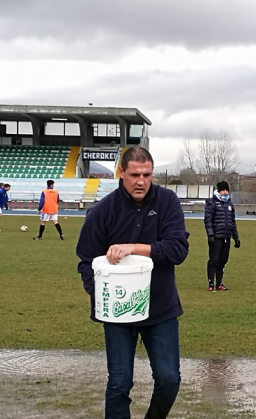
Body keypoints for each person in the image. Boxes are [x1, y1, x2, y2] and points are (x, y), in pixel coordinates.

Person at [77, 146, 189, 419]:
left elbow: (177, 250)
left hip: (160, 308)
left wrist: (133, 248)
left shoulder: (167, 202)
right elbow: (86, 261)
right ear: (121, 173)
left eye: (147, 175)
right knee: (119, 383)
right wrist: (102, 297)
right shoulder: (102, 211)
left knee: (169, 379)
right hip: (117, 314)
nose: (141, 181)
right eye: (135, 175)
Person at [204, 180, 240, 291]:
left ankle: (219, 283)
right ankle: (211, 283)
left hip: (226, 236)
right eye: (223, 190)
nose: (225, 192)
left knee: (223, 260)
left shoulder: (229, 203)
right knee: (214, 260)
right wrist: (210, 235)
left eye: (226, 190)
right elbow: (208, 220)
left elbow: (232, 221)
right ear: (219, 191)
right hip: (216, 237)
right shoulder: (212, 203)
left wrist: (236, 237)